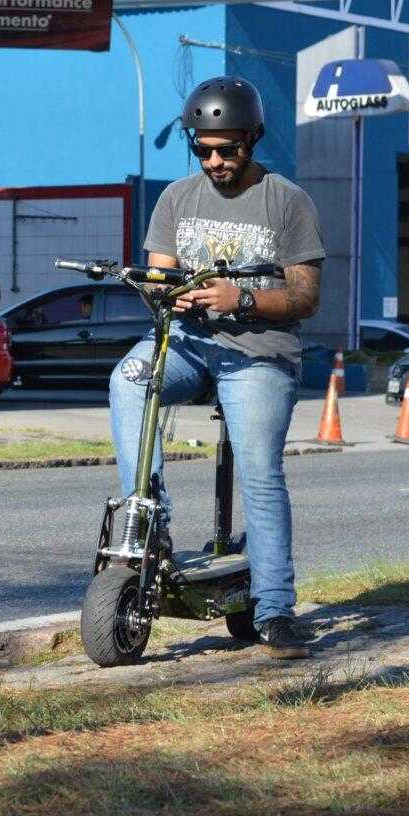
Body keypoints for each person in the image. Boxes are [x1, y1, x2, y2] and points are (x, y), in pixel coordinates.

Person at [109, 76, 324, 660]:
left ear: (252, 138)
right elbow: (160, 274)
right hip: (188, 344)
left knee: (259, 472)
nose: (214, 160)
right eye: (202, 148)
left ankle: (276, 608)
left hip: (259, 352)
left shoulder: (287, 200)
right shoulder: (177, 198)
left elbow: (306, 297)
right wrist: (169, 295)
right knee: (128, 380)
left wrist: (244, 300)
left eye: (227, 148)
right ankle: (153, 524)